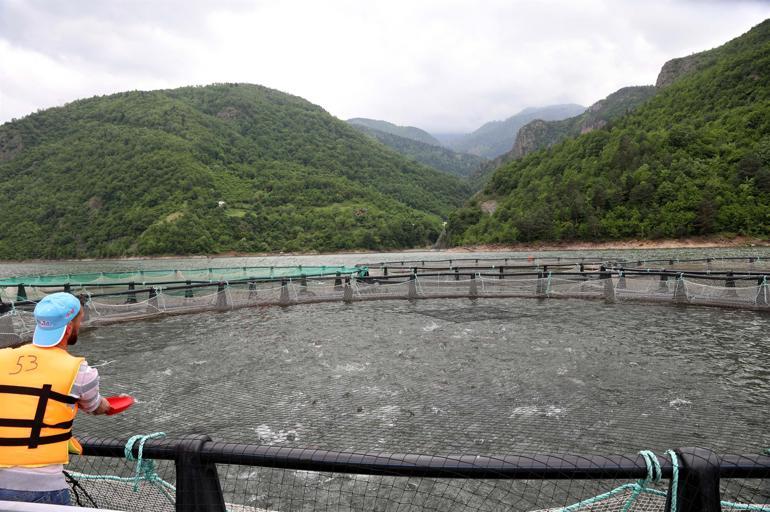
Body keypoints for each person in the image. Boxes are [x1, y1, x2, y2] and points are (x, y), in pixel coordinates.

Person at [0, 292, 113, 506]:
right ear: (69, 328)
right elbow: (95, 406)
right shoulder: (80, 371)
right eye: (79, 321)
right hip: (40, 487)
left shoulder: (2, 357)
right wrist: (107, 406)